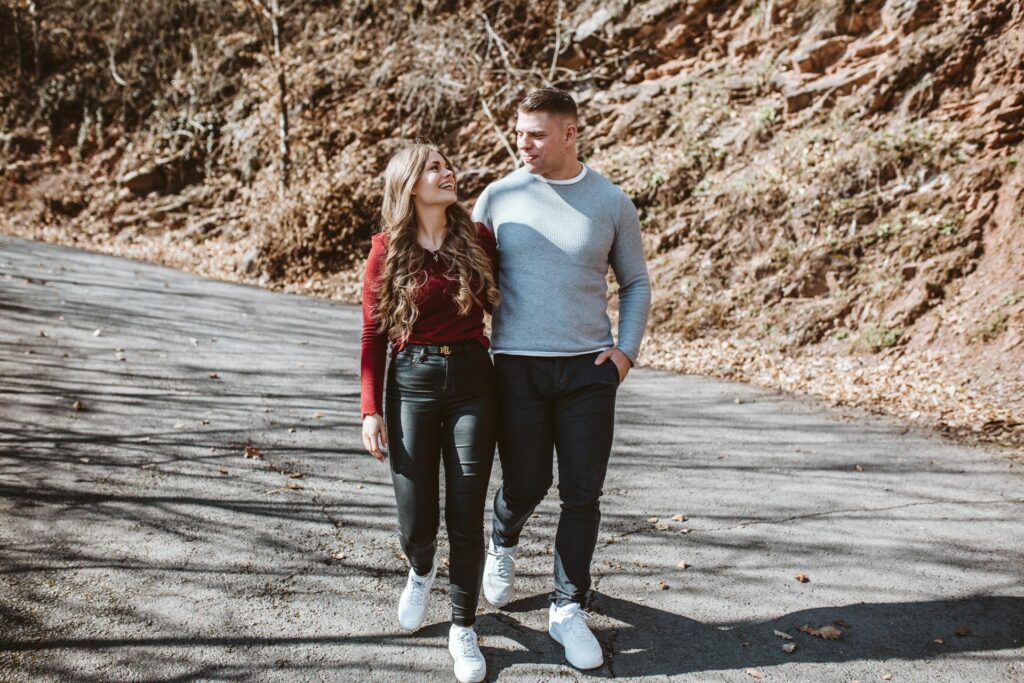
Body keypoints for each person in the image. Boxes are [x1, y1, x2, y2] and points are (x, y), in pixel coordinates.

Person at [472, 87, 651, 670]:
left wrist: (624, 353)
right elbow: (468, 282)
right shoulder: (497, 198)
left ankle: (567, 606)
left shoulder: (611, 202)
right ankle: (503, 539)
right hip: (516, 367)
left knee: (582, 492)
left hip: (588, 371)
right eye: (519, 132)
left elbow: (636, 284)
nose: (522, 143)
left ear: (571, 133)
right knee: (525, 484)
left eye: (536, 134)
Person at [360, 143, 500, 683]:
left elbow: (509, 304)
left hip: (472, 381)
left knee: (466, 515)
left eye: (448, 165)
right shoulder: (387, 249)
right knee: (417, 516)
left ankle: (463, 628)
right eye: (435, 167)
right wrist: (370, 409)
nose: (448, 173)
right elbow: (372, 335)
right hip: (412, 382)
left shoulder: (478, 239)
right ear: (409, 184)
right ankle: (421, 567)